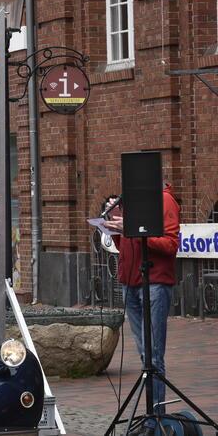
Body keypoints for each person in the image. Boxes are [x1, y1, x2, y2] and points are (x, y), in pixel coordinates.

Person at [103, 183, 180, 436]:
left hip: (155, 282)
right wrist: (114, 226)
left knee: (154, 356)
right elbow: (124, 242)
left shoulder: (165, 201)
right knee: (144, 355)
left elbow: (170, 245)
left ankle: (156, 418)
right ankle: (151, 416)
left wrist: (132, 229)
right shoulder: (130, 201)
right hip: (130, 283)